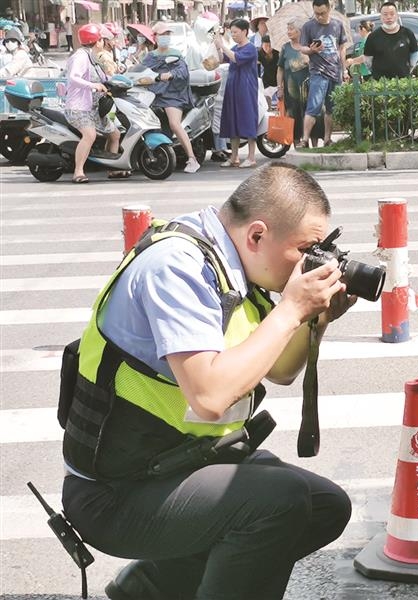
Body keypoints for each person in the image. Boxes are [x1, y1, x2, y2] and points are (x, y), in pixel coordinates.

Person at [60, 162, 355, 600]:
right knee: (280, 501)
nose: (311, 264)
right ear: (257, 234)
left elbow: (280, 370)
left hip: (180, 463)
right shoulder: (177, 266)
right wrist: (291, 308)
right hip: (118, 491)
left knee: (325, 506)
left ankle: (148, 589)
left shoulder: (235, 265)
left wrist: (317, 318)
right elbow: (210, 397)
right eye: (307, 250)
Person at [64, 23, 123, 183]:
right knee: (90, 135)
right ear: (97, 41)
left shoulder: (92, 57)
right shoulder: (80, 57)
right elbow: (73, 78)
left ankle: (112, 169)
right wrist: (93, 86)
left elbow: (104, 78)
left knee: (115, 134)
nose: (103, 42)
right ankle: (78, 172)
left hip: (94, 108)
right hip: (78, 108)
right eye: (102, 39)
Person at [142, 22, 202, 174]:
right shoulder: (150, 56)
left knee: (174, 123)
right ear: (155, 37)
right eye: (163, 35)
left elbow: (183, 72)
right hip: (153, 94)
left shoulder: (175, 55)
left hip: (173, 95)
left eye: (168, 34)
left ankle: (192, 158)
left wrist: (171, 75)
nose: (166, 37)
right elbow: (141, 71)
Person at [298, 0, 348, 148]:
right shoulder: (308, 26)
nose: (319, 16)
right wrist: (312, 50)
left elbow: (342, 48)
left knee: (331, 108)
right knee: (313, 107)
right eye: (316, 13)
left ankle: (327, 139)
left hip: (335, 71)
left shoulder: (337, 25)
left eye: (322, 13)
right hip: (318, 72)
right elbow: (302, 48)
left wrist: (344, 69)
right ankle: (305, 139)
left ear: (329, 9)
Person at [214, 17, 258, 168]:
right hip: (232, 88)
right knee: (232, 121)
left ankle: (251, 157)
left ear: (245, 31)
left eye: (236, 32)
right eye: (231, 32)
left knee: (248, 120)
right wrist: (218, 46)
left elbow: (236, 59)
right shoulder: (235, 47)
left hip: (245, 89)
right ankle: (234, 157)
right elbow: (222, 59)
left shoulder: (250, 48)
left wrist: (223, 46)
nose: (233, 35)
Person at [277, 17, 323, 149]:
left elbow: (322, 65)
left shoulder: (310, 47)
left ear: (300, 31)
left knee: (313, 115)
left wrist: (309, 60)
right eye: (288, 29)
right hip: (292, 93)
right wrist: (279, 87)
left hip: (310, 89)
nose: (289, 32)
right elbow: (280, 69)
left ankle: (315, 147)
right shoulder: (285, 48)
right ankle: (298, 147)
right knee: (294, 116)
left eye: (291, 29)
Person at [360, 2, 418, 80]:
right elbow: (368, 60)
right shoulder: (373, 37)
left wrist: (408, 70)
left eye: (392, 14)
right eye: (385, 14)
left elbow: (414, 54)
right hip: (380, 83)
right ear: (381, 17)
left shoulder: (408, 33)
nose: (389, 17)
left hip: (403, 81)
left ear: (397, 16)